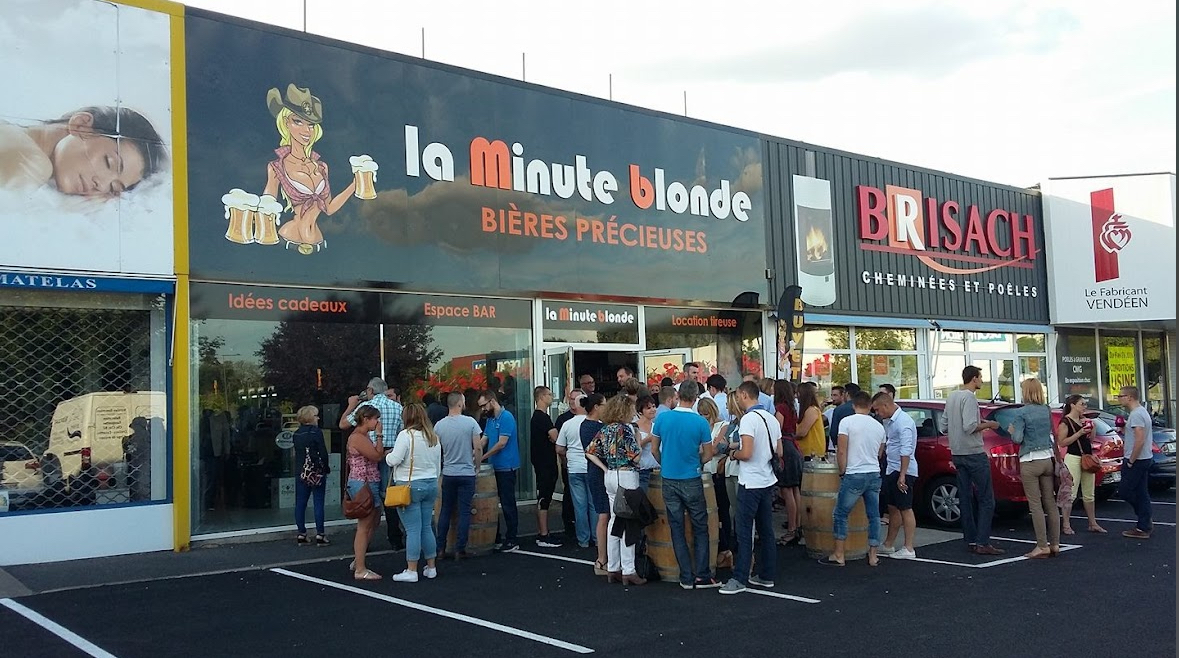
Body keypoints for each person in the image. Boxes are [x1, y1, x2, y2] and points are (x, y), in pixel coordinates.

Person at [263, 84, 362, 253]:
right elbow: (268, 206)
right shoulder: (277, 167)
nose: (306, 130)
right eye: (298, 121)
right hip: (288, 239)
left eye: (310, 125)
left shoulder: (322, 167)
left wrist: (355, 184)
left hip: (318, 242)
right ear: (285, 123)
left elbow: (328, 208)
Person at [0, 105, 167, 197]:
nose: (101, 185)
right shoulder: (32, 164)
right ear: (80, 125)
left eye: (112, 188)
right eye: (108, 163)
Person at [650, 381, 719, 589]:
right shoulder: (700, 422)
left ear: (678, 395)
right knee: (700, 527)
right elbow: (708, 453)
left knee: (677, 527)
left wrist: (665, 464)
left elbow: (654, 450)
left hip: (669, 479)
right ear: (696, 397)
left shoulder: (662, 418)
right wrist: (697, 462)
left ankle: (686, 576)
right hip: (691, 478)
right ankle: (702, 574)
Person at [721, 381, 782, 594]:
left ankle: (740, 577)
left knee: (744, 531)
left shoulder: (748, 419)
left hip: (751, 481)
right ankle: (766, 575)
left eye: (738, 396)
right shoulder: (771, 418)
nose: (737, 399)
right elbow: (779, 451)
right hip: (768, 479)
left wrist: (733, 453)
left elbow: (746, 453)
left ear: (745, 395)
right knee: (766, 530)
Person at [938, 366, 1003, 555]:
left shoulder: (952, 397)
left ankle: (971, 539)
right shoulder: (970, 398)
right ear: (974, 378)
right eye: (980, 377)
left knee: (965, 498)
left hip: (957, 453)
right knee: (986, 499)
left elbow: (943, 426)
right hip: (973, 452)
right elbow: (970, 426)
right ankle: (982, 542)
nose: (982, 381)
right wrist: (989, 424)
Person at [340, 377, 406, 551]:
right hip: (390, 454)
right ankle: (395, 538)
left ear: (370, 390)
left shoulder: (365, 407)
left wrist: (351, 405)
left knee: (368, 502)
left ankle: (364, 542)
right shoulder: (398, 407)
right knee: (389, 497)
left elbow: (343, 424)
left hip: (367, 455)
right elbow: (402, 432)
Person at [819, 391, 884, 567]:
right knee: (874, 515)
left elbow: (841, 450)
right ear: (870, 406)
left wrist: (842, 471)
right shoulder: (879, 426)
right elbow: (879, 452)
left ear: (854, 405)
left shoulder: (846, 422)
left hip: (854, 472)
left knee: (840, 513)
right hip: (874, 472)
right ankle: (873, 555)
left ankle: (839, 554)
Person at [586, 394, 645, 585]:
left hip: (610, 474)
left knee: (614, 519)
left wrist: (605, 468)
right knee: (627, 521)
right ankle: (629, 569)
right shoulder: (626, 429)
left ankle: (613, 567)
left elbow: (590, 451)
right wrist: (638, 439)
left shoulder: (605, 429)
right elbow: (636, 456)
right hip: (626, 475)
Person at [385, 403, 443, 582]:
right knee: (426, 527)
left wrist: (388, 455)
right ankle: (431, 567)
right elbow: (438, 464)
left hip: (409, 485)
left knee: (412, 529)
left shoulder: (405, 435)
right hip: (430, 484)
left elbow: (394, 459)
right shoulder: (433, 436)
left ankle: (411, 570)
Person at [1008, 379, 1059, 559]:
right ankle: (1055, 544)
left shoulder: (1021, 412)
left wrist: (1011, 430)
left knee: (1035, 505)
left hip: (1030, 460)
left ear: (1026, 392)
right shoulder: (1046, 409)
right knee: (1050, 503)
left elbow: (1017, 438)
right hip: (1047, 459)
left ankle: (1042, 546)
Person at [435, 392, 484, 559]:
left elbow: (436, 450)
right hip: (466, 472)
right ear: (460, 404)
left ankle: (440, 548)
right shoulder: (470, 423)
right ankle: (460, 549)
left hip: (448, 472)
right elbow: (478, 447)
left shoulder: (439, 426)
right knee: (464, 511)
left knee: (446, 510)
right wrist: (477, 466)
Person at [871, 392, 918, 559]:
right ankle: (888, 544)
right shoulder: (890, 421)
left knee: (905, 508)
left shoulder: (903, 422)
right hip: (892, 469)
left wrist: (902, 475)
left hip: (902, 470)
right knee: (893, 507)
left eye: (878, 409)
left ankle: (909, 548)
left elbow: (906, 450)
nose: (877, 413)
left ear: (886, 405)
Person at [1057, 395, 1106, 535]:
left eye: (1085, 404)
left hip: (1087, 457)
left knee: (1089, 493)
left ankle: (1093, 523)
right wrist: (1079, 433)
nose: (1084, 407)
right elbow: (1062, 442)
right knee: (1071, 493)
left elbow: (1090, 440)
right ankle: (1066, 524)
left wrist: (1092, 428)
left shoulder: (1084, 420)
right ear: (1072, 405)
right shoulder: (1066, 422)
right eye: (1082, 404)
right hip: (1073, 457)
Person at [478, 389, 521, 552]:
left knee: (508, 503)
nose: (483, 409)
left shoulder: (506, 417)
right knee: (492, 503)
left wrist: (482, 457)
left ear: (492, 401)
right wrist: (474, 452)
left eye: (484, 405)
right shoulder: (490, 419)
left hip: (506, 467)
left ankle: (512, 538)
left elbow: (502, 443)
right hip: (493, 467)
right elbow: (484, 440)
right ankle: (495, 536)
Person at [346, 406, 384, 580]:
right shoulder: (358, 437)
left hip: (369, 481)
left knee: (373, 520)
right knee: (364, 525)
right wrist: (379, 436)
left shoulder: (363, 436)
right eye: (375, 419)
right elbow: (376, 456)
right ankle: (360, 569)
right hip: (363, 482)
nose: (377, 422)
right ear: (366, 419)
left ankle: (358, 560)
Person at [698, 398, 733, 569]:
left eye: (706, 414)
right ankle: (720, 546)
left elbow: (712, 449)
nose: (705, 418)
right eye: (701, 415)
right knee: (711, 512)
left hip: (719, 472)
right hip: (706, 472)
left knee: (722, 510)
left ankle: (727, 547)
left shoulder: (724, 425)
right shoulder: (703, 427)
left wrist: (709, 448)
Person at [556, 391, 593, 548]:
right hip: (591, 467)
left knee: (579, 506)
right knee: (593, 504)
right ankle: (597, 538)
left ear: (575, 406)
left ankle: (583, 539)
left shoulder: (567, 424)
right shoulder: (595, 423)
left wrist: (568, 457)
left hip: (574, 468)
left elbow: (559, 448)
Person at [579, 394, 610, 573]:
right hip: (598, 473)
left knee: (605, 514)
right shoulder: (593, 427)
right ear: (597, 407)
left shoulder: (591, 425)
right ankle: (601, 558)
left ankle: (605, 557)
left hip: (597, 472)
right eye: (604, 404)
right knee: (603, 515)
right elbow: (594, 452)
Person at [1119, 385, 1154, 540]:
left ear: (1130, 397)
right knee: (1141, 492)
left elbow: (1139, 440)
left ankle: (1144, 520)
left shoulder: (1137, 414)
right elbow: (1137, 434)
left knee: (1125, 491)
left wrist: (1131, 460)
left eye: (1121, 396)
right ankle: (1144, 524)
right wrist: (1124, 430)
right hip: (1144, 458)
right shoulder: (1140, 412)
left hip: (1137, 459)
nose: (1119, 399)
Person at [530, 386, 563, 548]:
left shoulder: (539, 417)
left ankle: (543, 531)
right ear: (542, 397)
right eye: (549, 394)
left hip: (542, 461)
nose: (552, 397)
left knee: (544, 496)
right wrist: (554, 437)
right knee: (544, 497)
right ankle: (543, 534)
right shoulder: (542, 417)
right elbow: (556, 437)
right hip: (545, 463)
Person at [292, 405, 330, 546]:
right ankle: (320, 534)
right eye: (315, 415)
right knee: (318, 502)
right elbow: (323, 452)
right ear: (310, 417)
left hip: (301, 471)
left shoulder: (297, 434)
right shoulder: (316, 432)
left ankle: (301, 533)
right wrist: (325, 467)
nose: (318, 418)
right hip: (316, 471)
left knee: (300, 503)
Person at [773, 379, 803, 546]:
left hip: (785, 448)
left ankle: (791, 528)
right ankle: (797, 526)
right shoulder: (792, 407)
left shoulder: (781, 409)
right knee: (795, 489)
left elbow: (777, 431)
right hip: (794, 446)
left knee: (787, 490)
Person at [555, 388, 583, 537]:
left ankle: (582, 529)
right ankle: (569, 524)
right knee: (569, 494)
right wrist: (564, 460)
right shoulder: (562, 419)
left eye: (576, 399)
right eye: (571, 399)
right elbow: (559, 445)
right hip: (568, 463)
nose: (573, 402)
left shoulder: (589, 418)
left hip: (581, 464)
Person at [634, 394, 661, 492]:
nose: (653, 410)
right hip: (642, 471)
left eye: (654, 406)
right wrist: (647, 439)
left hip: (657, 469)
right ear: (640, 411)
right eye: (648, 408)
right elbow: (632, 449)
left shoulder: (656, 426)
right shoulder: (634, 427)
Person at [795, 383, 827, 459]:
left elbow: (801, 432)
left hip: (811, 454)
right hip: (809, 452)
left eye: (797, 393)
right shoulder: (810, 410)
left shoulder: (811, 410)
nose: (795, 396)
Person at [828, 383, 861, 453]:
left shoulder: (839, 410)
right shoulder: (863, 408)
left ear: (847, 394)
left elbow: (834, 433)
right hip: (860, 447)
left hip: (843, 447)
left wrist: (837, 446)